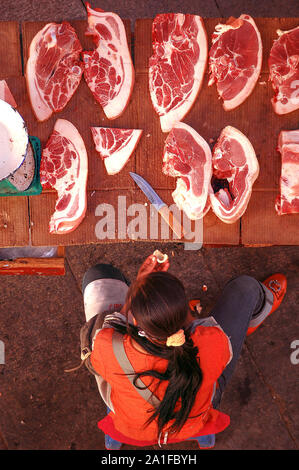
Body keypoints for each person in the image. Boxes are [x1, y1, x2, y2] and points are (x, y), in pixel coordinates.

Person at [81, 253, 287, 449]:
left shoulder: (108, 346)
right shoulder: (213, 340)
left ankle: (114, 442)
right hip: (194, 422)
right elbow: (202, 331)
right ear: (188, 317)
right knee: (246, 288)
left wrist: (137, 287)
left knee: (97, 274)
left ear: (134, 322)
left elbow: (113, 325)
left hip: (133, 428)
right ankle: (252, 317)